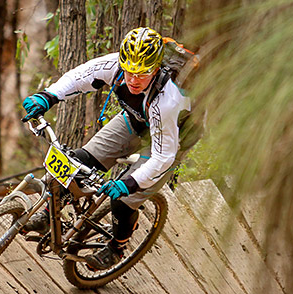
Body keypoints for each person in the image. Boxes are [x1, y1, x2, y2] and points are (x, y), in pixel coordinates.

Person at [21, 27, 196, 270]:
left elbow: (163, 156)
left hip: (173, 136)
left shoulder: (168, 100)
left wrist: (130, 182)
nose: (134, 80)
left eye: (143, 74)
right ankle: (51, 215)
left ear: (156, 69)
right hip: (136, 119)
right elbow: (78, 77)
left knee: (124, 199)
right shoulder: (114, 65)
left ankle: (117, 246)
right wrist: (48, 96)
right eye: (129, 72)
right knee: (79, 162)